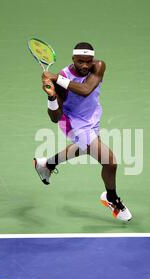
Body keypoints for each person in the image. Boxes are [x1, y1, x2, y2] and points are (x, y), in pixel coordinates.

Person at [34, 42, 132, 222]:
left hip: (92, 116)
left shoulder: (99, 66)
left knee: (86, 148)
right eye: (80, 61)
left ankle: (47, 164)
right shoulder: (63, 79)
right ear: (73, 59)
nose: (85, 65)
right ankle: (111, 198)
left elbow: (86, 89)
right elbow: (55, 118)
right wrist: (52, 96)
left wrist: (56, 78)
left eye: (88, 61)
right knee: (110, 163)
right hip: (73, 123)